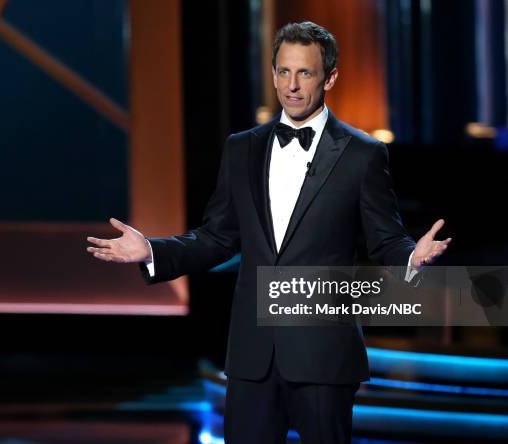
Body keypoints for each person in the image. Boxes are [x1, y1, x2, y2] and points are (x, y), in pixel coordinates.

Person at [87, 21, 451, 444]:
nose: (291, 86)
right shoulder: (242, 148)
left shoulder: (363, 155)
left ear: (329, 77)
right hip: (252, 356)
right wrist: (151, 250)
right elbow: (217, 237)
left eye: (305, 73)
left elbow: (386, 239)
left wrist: (412, 258)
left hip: (322, 355)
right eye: (283, 71)